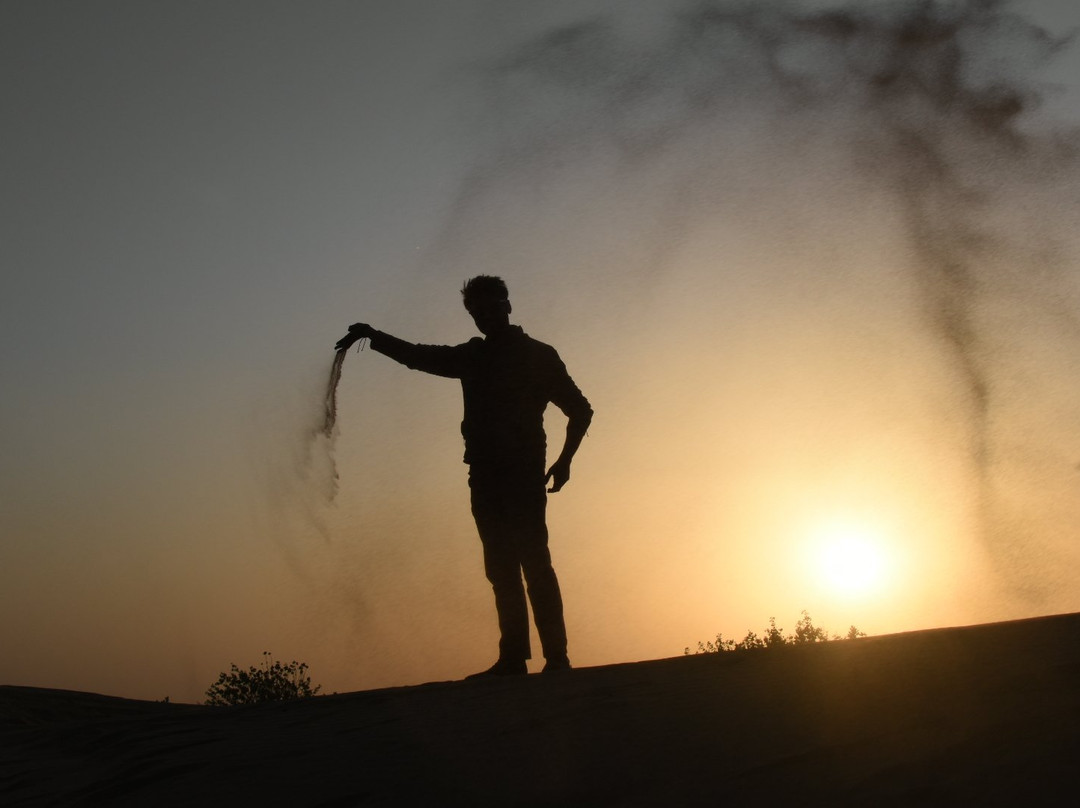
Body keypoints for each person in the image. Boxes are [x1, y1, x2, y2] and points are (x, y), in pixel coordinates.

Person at [335, 275, 593, 677]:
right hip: (484, 474)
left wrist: (565, 461)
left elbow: (580, 409)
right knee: (500, 568)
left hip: (524, 473)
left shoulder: (538, 356)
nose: (485, 318)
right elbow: (419, 356)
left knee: (535, 562)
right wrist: (373, 336)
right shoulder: (473, 357)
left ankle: (557, 658)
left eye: (491, 310)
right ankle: (513, 658)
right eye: (477, 313)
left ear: (508, 306)